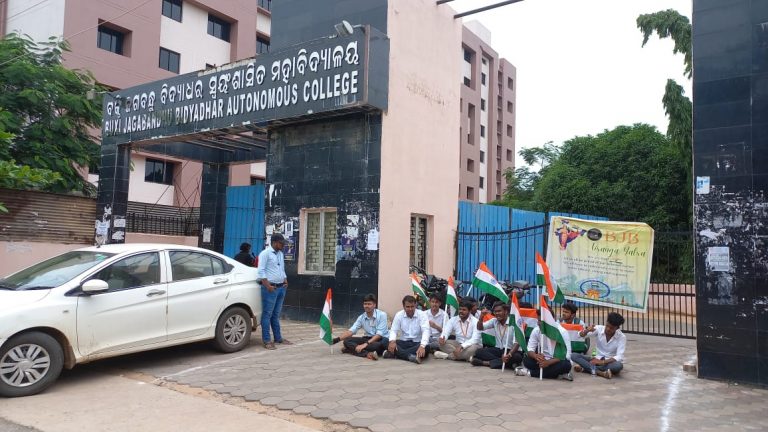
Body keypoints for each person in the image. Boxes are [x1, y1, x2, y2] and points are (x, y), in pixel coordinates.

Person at [257, 233, 291, 350]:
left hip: (281, 288)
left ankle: (278, 338)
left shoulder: (280, 254)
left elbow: (281, 269)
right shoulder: (265, 254)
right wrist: (268, 286)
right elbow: (261, 271)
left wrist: (285, 280)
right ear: (275, 242)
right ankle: (267, 340)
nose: (283, 246)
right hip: (270, 289)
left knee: (276, 315)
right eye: (281, 243)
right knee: (267, 314)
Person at [571, 312, 626, 379]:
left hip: (609, 362)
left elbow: (620, 356)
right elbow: (579, 335)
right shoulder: (599, 329)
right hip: (595, 359)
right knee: (573, 355)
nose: (608, 329)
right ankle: (601, 373)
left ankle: (585, 368)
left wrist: (602, 362)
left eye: (611, 328)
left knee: (618, 366)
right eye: (607, 326)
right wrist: (587, 331)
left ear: (617, 328)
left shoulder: (622, 337)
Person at [332, 294, 388, 360]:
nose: (366, 306)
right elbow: (351, 331)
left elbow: (379, 335)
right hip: (367, 339)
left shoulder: (382, 315)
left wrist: (365, 344)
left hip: (380, 340)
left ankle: (350, 350)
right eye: (365, 304)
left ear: (374, 305)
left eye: (369, 304)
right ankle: (367, 354)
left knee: (377, 346)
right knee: (346, 341)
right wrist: (336, 340)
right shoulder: (361, 317)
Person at [470, 302, 522, 369]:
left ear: (506, 311)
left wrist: (508, 355)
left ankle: (485, 363)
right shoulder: (494, 321)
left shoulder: (514, 323)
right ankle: (506, 363)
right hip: (499, 350)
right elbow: (480, 328)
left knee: (517, 357)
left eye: (499, 311)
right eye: (495, 311)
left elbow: (517, 343)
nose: (497, 313)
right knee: (479, 352)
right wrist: (481, 316)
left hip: (512, 351)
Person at [522, 312, 573, 380]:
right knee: (527, 360)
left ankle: (530, 373)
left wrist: (548, 363)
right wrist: (536, 356)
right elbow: (529, 349)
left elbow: (567, 355)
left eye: (540, 321)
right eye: (538, 320)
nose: (538, 323)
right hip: (542, 360)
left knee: (566, 365)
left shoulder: (562, 332)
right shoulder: (537, 330)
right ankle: (556, 374)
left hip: (556, 361)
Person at [384, 295, 430, 364]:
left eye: (412, 306)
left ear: (415, 305)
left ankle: (395, 354)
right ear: (403, 307)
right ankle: (410, 357)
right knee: (385, 341)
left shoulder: (422, 315)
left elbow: (426, 330)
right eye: (408, 307)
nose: (410, 309)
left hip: (417, 343)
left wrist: (422, 346)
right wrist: (392, 341)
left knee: (427, 347)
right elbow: (393, 330)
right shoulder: (399, 315)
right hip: (404, 342)